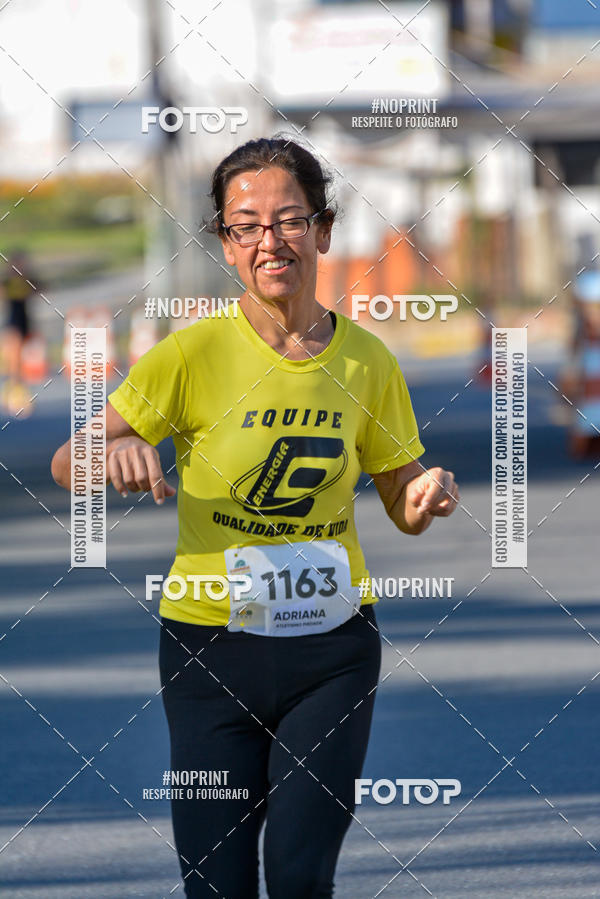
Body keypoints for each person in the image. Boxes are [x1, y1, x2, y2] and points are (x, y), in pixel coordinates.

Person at [51, 136, 459, 898]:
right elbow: (67, 459)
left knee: (302, 876)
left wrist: (423, 493)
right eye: (247, 225)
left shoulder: (368, 361)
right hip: (210, 654)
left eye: (289, 220)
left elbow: (403, 497)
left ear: (324, 231)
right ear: (227, 244)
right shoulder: (190, 353)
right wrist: (114, 452)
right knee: (217, 881)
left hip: (332, 654)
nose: (270, 241)